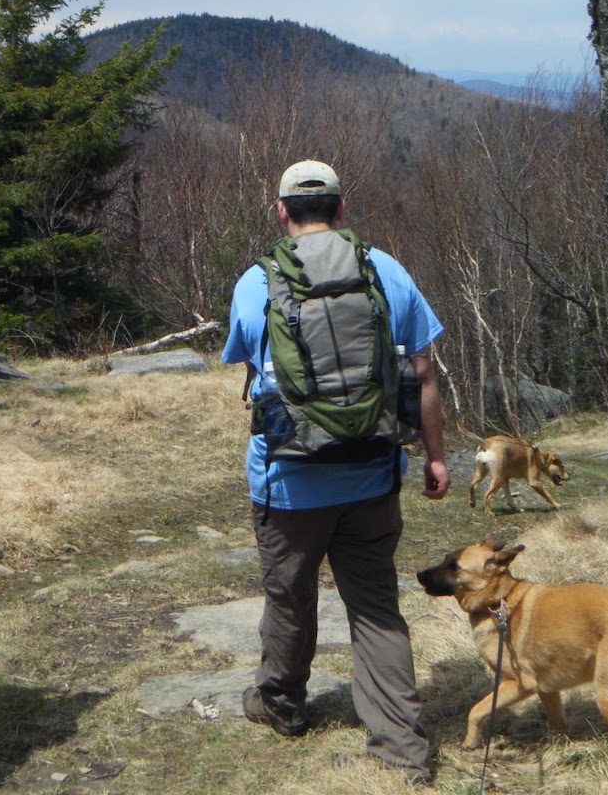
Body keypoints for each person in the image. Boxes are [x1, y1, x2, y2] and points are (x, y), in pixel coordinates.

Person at [221, 159, 450, 785]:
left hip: (288, 482)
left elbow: (245, 360)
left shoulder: (257, 280)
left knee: (289, 597)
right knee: (375, 605)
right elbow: (422, 374)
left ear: (281, 210)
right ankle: (401, 747)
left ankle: (283, 705)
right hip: (373, 474)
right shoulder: (386, 271)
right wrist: (434, 455)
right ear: (342, 209)